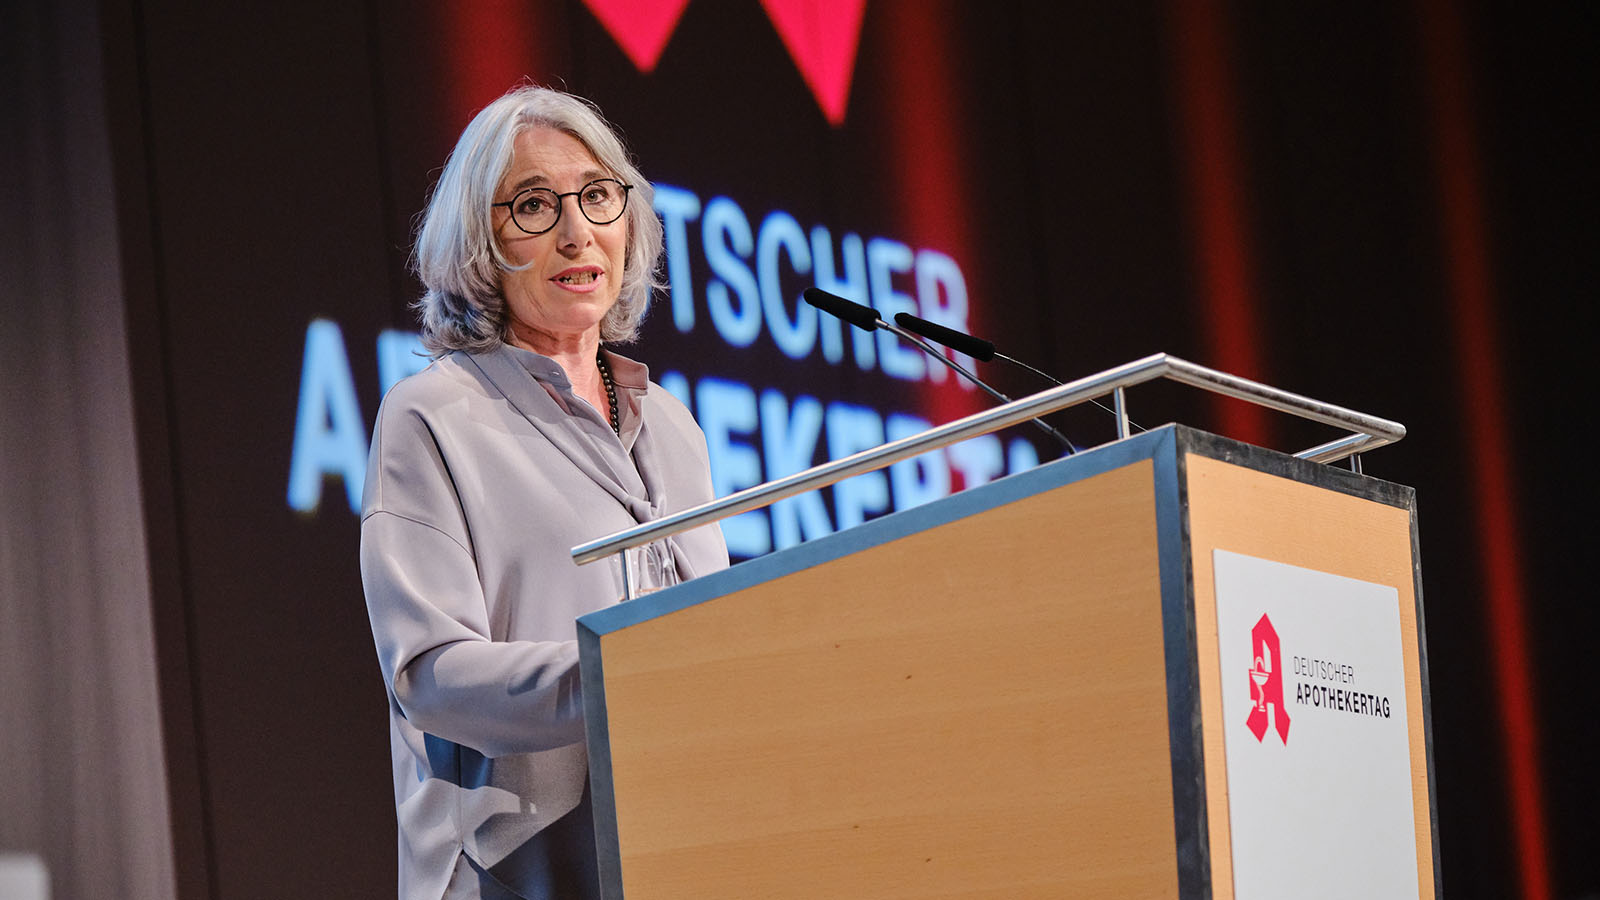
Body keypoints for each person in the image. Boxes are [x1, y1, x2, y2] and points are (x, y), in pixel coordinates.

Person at [360, 84, 729, 900]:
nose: (576, 231)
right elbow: (428, 671)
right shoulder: (434, 416)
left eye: (597, 196)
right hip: (513, 873)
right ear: (478, 244)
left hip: (673, 849)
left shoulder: (672, 425)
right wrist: (611, 674)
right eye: (533, 205)